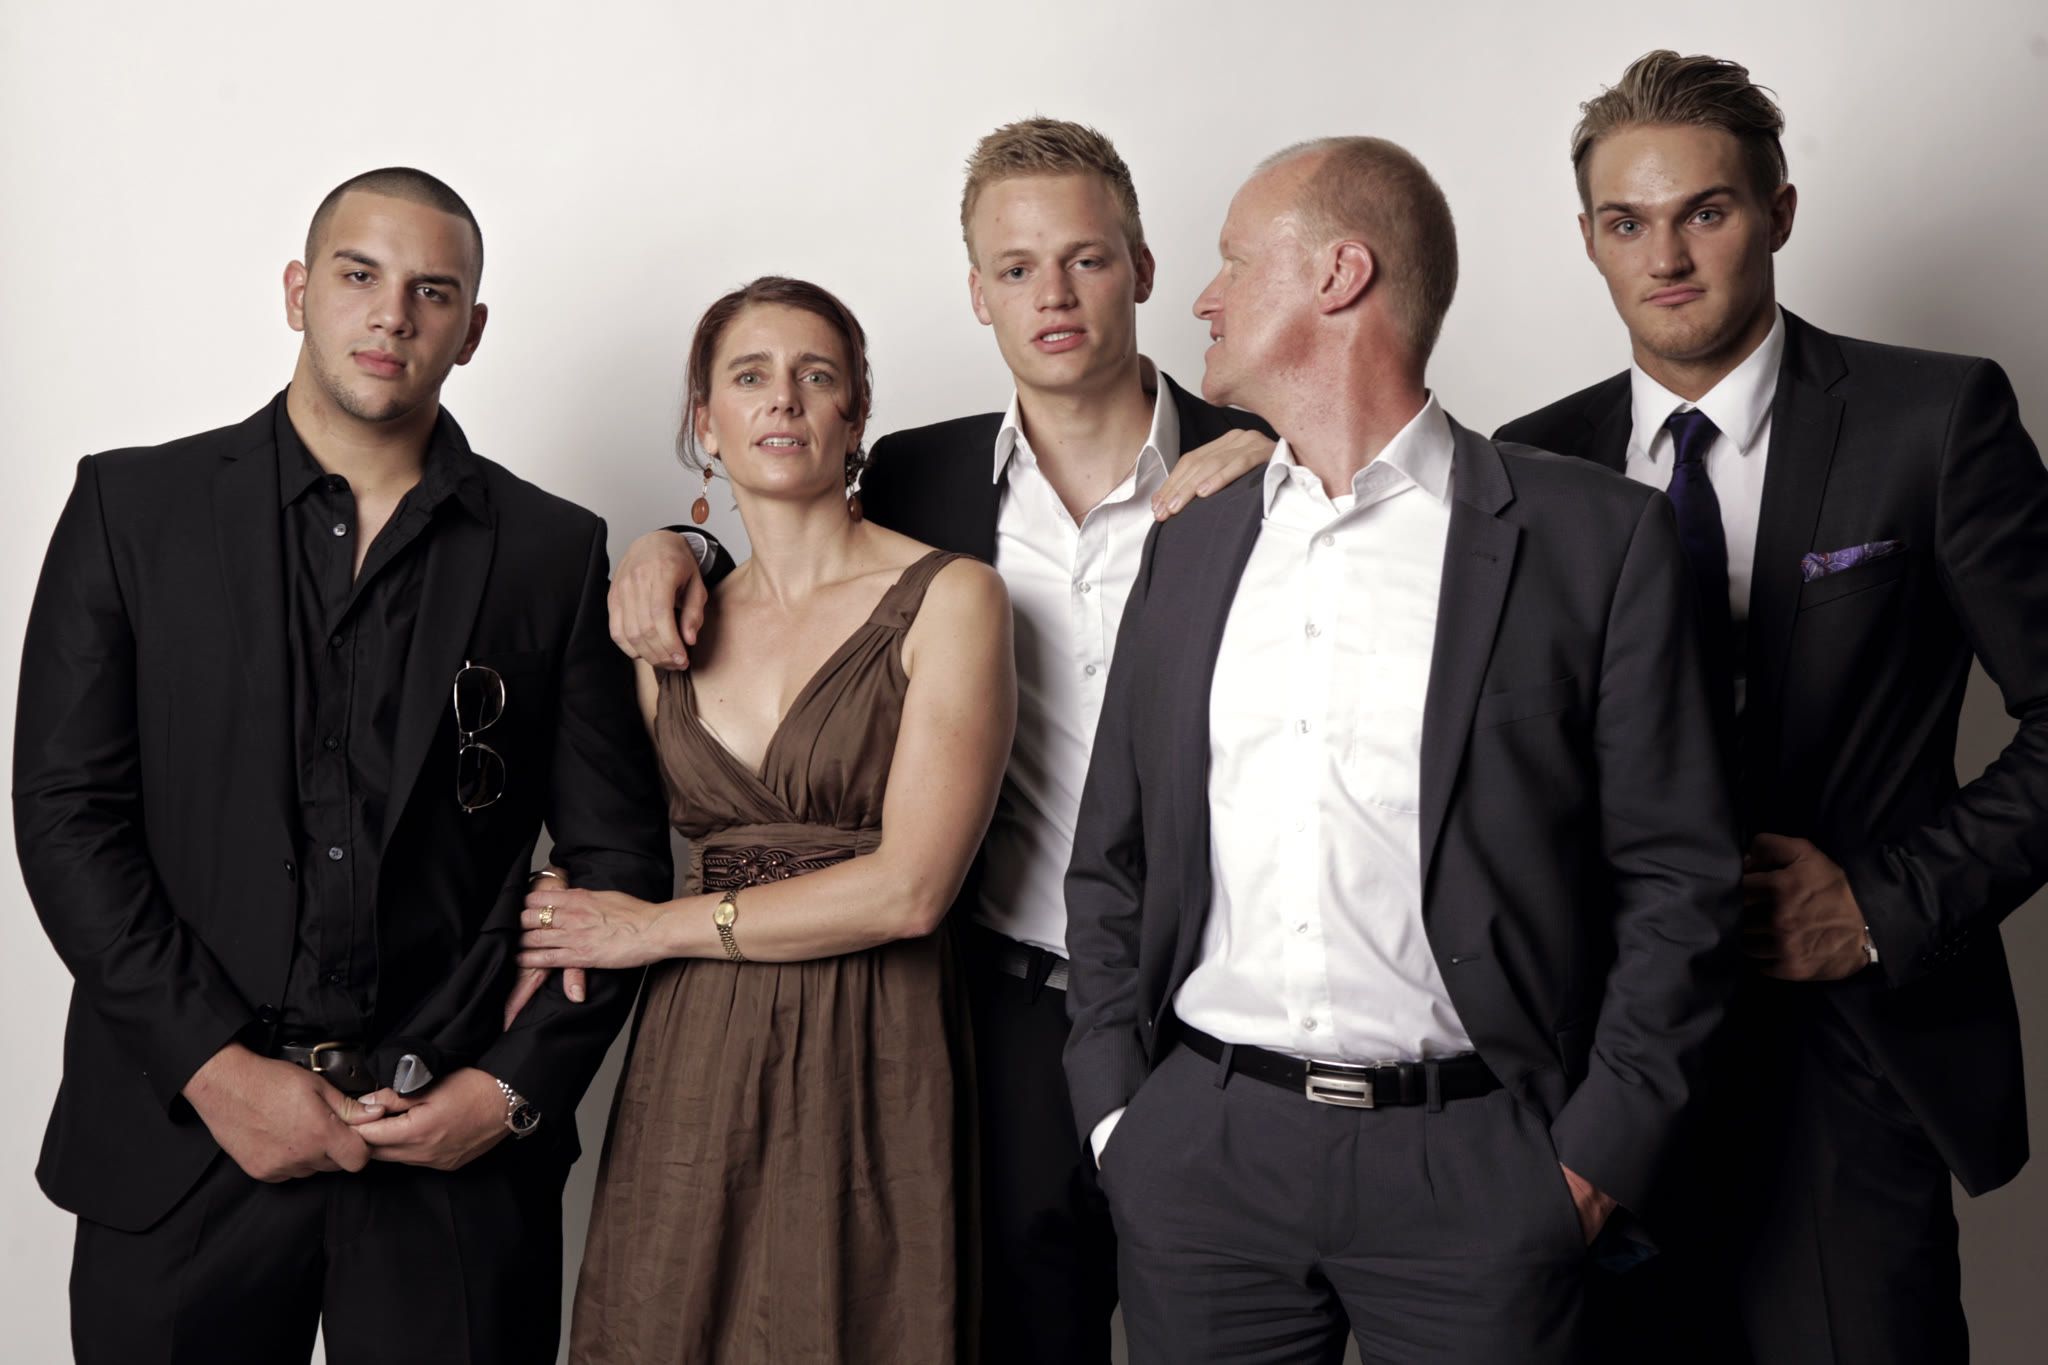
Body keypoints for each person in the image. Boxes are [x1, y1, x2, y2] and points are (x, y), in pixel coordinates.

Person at [601, 119, 1274, 1364]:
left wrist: (1294, 456)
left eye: (1084, 259)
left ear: (1141, 268)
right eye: (1015, 268)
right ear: (976, 293)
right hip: (998, 1015)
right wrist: (670, 545)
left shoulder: (1260, 471)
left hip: (1222, 1010)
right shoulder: (921, 477)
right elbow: (792, 545)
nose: (1051, 294)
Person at [1062, 136, 1742, 1365]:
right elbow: (1112, 850)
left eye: (1231, 262)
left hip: (1478, 1166)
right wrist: (1118, 1113)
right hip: (1202, 1155)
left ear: (1339, 275)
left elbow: (1677, 878)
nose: (1202, 297)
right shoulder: (1191, 539)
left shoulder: (1593, 540)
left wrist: (1592, 1160)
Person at [14, 167, 674, 1364]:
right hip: (182, 1137)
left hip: (449, 1154)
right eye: (359, 275)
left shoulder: (551, 550)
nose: (391, 315)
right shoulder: (132, 509)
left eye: (433, 292)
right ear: (296, 291)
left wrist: (510, 1090)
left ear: (472, 330)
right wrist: (212, 1069)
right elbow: (67, 814)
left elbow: (619, 861)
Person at [1496, 50, 2048, 1364]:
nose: (1664, 257)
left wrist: (1880, 905)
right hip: (1603, 1076)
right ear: (1587, 239)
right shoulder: (1525, 464)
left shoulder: (1932, 419)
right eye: (1625, 222)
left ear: (1778, 212)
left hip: (1838, 1058)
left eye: (1705, 211)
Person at [514, 276, 1015, 1364]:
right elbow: (598, 826)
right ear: (706, 423)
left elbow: (911, 890)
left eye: (815, 375)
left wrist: (649, 929)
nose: (782, 398)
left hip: (876, 1027)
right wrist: (555, 894)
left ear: (856, 414)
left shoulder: (952, 597)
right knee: (664, 1322)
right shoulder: (658, 630)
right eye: (750, 377)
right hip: (697, 1044)